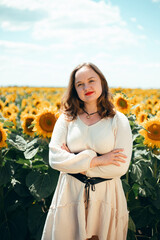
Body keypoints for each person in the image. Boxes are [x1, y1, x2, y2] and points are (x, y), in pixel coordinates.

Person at [41, 63, 133, 240]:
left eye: (91, 80)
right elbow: (54, 158)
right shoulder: (67, 118)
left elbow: (119, 167)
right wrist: (97, 160)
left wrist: (72, 162)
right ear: (74, 89)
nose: (86, 87)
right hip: (70, 194)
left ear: (102, 83)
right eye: (80, 84)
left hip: (105, 195)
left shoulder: (118, 120)